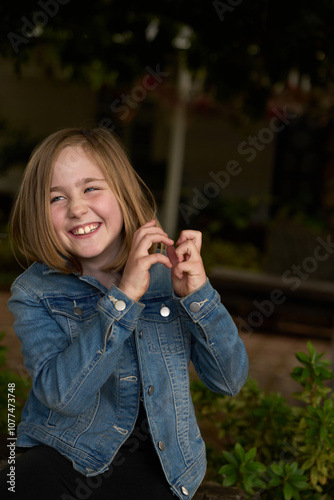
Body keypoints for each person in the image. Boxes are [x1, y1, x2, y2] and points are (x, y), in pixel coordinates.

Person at [0, 127, 248, 499]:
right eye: (56, 197)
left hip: (162, 471)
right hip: (63, 457)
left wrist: (199, 296)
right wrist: (123, 297)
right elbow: (62, 397)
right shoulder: (35, 292)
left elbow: (229, 380)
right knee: (15, 481)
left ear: (122, 192)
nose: (77, 208)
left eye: (90, 188)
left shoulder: (168, 278)